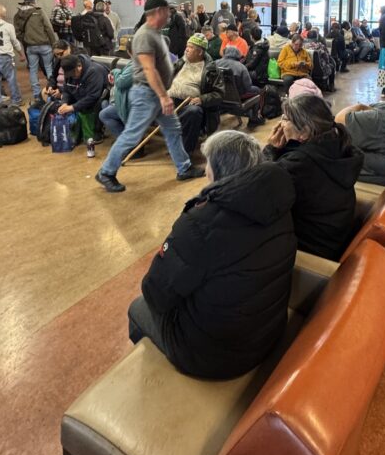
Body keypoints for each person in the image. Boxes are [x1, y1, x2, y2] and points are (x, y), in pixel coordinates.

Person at [127, 131, 297, 379]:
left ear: (217, 170)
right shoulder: (277, 202)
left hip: (215, 358)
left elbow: (155, 292)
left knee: (137, 308)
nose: (205, 170)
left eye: (208, 163)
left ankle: (158, 382)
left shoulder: (201, 222)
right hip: (267, 332)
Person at [95, 0, 203, 192]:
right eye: (167, 11)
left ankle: (184, 168)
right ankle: (106, 172)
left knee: (173, 129)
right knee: (131, 135)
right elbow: (148, 69)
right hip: (147, 94)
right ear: (158, 12)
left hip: (157, 93)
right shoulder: (144, 35)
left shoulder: (156, 33)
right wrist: (163, 96)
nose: (170, 15)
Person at [264, 95, 363, 260]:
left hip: (312, 250)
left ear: (304, 132)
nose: (280, 124)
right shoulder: (337, 144)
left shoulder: (299, 164)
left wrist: (270, 150)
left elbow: (258, 186)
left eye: (285, 119)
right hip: (335, 237)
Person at [168, 34, 225, 155]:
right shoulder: (181, 62)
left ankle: (184, 154)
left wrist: (202, 99)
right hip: (169, 102)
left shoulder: (211, 69)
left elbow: (219, 94)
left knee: (194, 112)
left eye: (190, 47)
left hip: (187, 105)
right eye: (186, 46)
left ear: (199, 52)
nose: (186, 49)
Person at [14, 0, 57, 99]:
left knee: (33, 70)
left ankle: (36, 94)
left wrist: (25, 41)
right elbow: (49, 28)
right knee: (48, 67)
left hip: (30, 47)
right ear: (34, 2)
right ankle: (52, 90)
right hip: (44, 45)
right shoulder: (39, 12)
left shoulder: (18, 15)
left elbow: (17, 32)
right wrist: (54, 44)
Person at [58, 54, 109, 140]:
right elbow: (66, 90)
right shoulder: (70, 73)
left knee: (100, 102)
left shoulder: (94, 71)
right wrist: (64, 103)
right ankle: (76, 130)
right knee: (58, 103)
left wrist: (72, 107)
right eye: (69, 75)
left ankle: (97, 132)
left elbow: (93, 96)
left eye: (73, 74)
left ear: (79, 66)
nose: (72, 77)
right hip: (82, 94)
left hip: (100, 97)